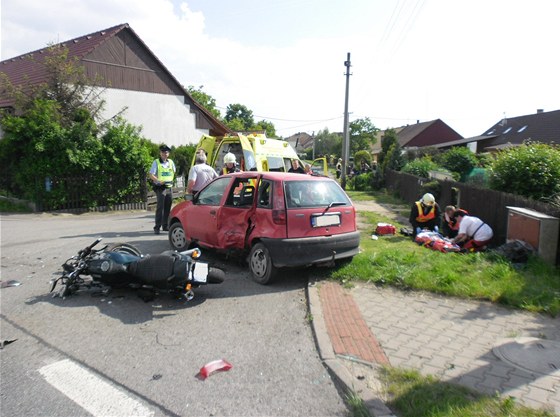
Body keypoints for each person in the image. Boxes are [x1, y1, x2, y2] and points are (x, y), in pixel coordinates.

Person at [149, 144, 176, 234]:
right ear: (160, 153)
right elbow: (151, 174)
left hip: (169, 187)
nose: (165, 154)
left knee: (168, 207)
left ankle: (165, 225)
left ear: (168, 154)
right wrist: (158, 180)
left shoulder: (171, 162)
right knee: (160, 207)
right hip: (161, 188)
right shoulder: (156, 162)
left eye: (166, 152)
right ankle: (157, 227)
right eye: (163, 152)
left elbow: (173, 172)